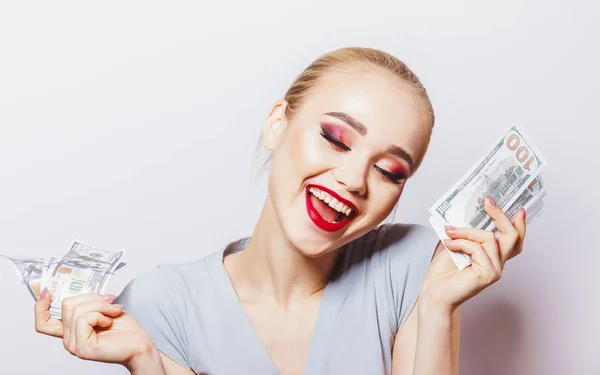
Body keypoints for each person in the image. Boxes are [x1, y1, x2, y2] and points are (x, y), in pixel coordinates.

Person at [33, 47, 526, 375]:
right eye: (335, 139)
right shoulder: (163, 304)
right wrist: (143, 358)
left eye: (390, 171)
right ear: (277, 125)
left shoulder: (413, 267)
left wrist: (441, 307)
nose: (353, 180)